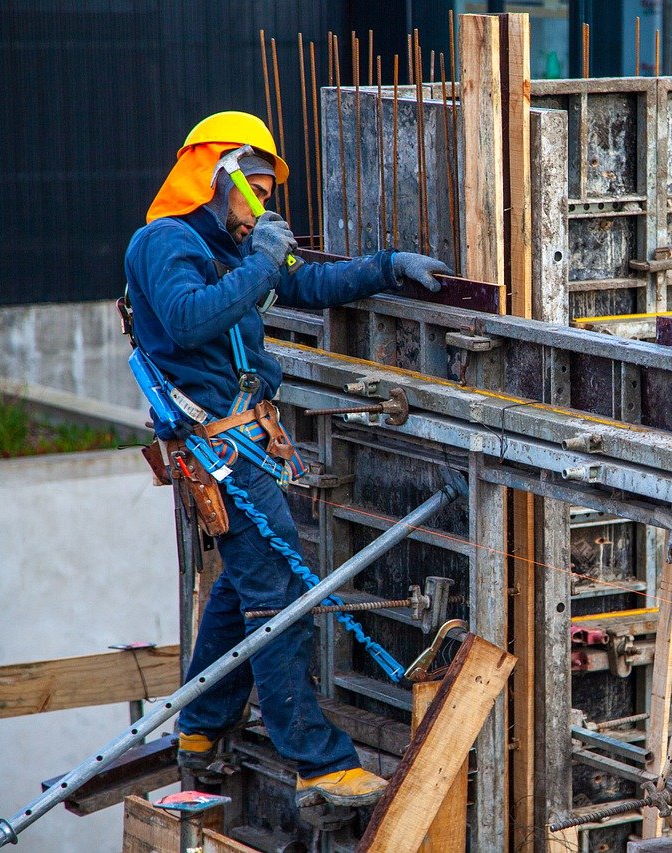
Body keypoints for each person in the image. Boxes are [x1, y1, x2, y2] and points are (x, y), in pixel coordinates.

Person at [124, 111, 448, 808]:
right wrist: (265, 260)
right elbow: (186, 317)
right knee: (280, 601)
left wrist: (388, 266)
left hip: (240, 445)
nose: (265, 205)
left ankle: (203, 727)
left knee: (245, 588)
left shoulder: (241, 248)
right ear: (221, 173)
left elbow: (309, 283)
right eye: (257, 188)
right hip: (219, 449)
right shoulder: (165, 243)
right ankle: (316, 758)